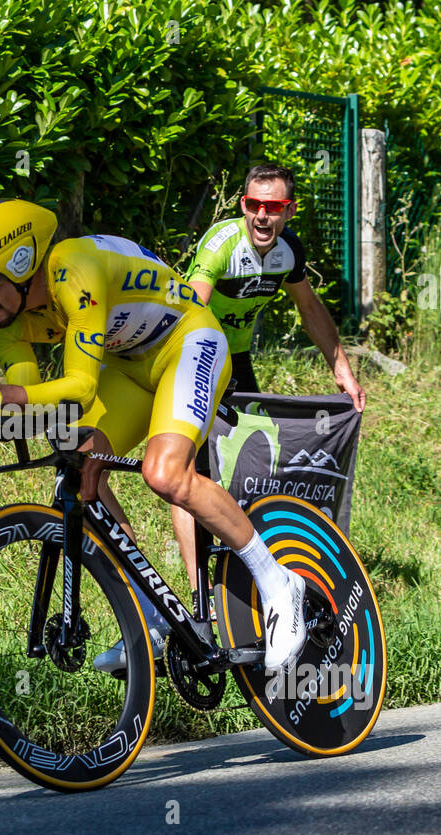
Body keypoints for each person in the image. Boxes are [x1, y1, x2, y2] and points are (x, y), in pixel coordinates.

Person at [0, 198, 305, 674]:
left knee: (165, 474)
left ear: (20, 264)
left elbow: (78, 389)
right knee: (82, 470)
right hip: (130, 366)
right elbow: (36, 399)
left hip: (189, 341)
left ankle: (278, 583)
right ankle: (154, 620)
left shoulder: (74, 270)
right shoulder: (3, 322)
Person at [171, 163, 366, 609]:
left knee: (246, 462)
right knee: (188, 471)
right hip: (197, 351)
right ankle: (201, 594)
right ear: (243, 205)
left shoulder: (288, 251)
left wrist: (342, 369)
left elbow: (310, 308)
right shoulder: (222, 244)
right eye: (253, 204)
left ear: (289, 211)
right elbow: (191, 306)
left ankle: (246, 561)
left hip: (237, 359)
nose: (262, 215)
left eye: (273, 206)